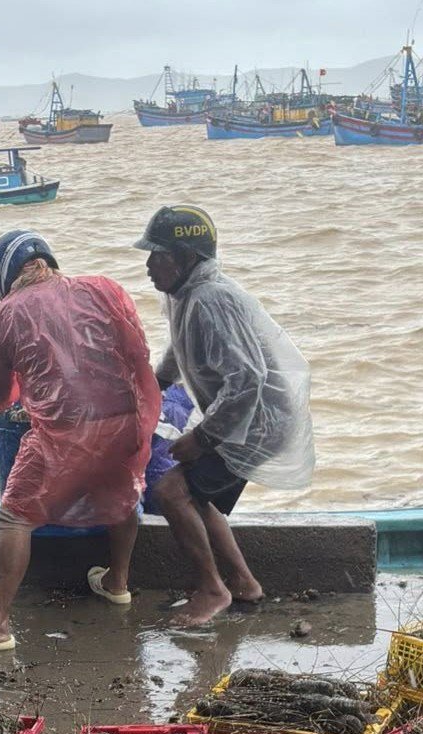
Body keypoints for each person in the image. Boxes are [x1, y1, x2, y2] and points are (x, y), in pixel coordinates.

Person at [0, 230, 160, 657]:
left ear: (2, 276)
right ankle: (118, 583)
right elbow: (137, 351)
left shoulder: (2, 317)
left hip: (64, 434)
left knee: (16, 517)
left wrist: (31, 397)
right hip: (126, 421)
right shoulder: (104, 288)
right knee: (124, 495)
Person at [130, 205, 315, 626]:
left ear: (186, 257)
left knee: (172, 492)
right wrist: (157, 382)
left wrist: (204, 438)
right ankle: (244, 584)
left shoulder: (211, 300)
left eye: (157, 255)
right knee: (199, 494)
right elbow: (181, 346)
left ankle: (213, 590)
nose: (148, 265)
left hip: (259, 423)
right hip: (245, 417)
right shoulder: (186, 295)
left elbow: (248, 381)